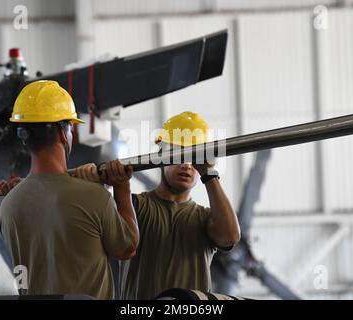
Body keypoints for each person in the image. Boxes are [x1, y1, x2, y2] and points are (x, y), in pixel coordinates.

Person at [76, 111, 241, 299]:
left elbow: (230, 237)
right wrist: (94, 189)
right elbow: (88, 238)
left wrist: (210, 174)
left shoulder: (206, 220)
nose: (187, 164)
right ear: (162, 156)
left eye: (194, 158)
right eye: (179, 153)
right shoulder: (133, 206)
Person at [0, 80, 139, 299]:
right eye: (71, 128)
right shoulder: (94, 197)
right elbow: (127, 248)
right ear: (64, 134)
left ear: (24, 139)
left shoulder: (9, 205)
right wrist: (121, 187)